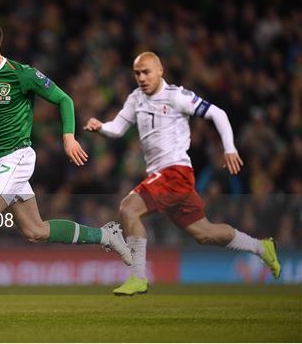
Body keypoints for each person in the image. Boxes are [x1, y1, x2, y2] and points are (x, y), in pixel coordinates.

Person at [0, 18, 133, 317]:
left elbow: (63, 99)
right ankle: (107, 236)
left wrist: (68, 137)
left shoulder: (21, 75)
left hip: (18, 158)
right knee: (36, 231)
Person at [84, 52, 281, 295]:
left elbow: (218, 113)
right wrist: (101, 126)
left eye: (147, 72)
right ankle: (261, 248)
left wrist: (229, 149)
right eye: (137, 73)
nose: (142, 78)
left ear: (160, 71)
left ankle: (138, 277)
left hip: (175, 172)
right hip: (165, 178)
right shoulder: (135, 98)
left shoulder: (177, 96)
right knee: (205, 233)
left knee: (128, 208)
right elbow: (117, 128)